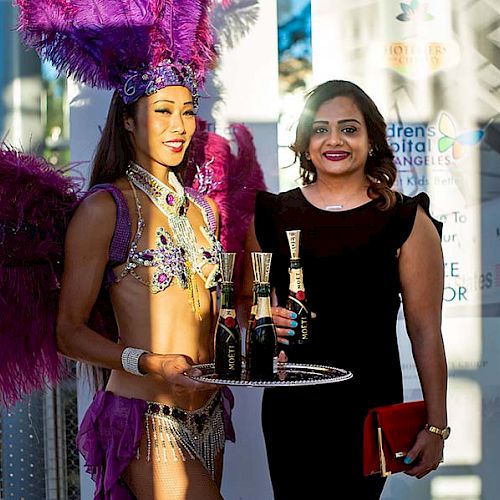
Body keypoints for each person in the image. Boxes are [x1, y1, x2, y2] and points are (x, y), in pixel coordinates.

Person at [15, 1, 234, 498]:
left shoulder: (205, 214)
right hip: (145, 418)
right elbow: (69, 334)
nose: (178, 125)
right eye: (162, 111)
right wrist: (148, 363)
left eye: (187, 112)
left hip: (211, 416)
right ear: (130, 123)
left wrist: (259, 340)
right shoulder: (106, 208)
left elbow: (210, 317)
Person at [241, 80, 448, 499]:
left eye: (349, 129)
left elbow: (425, 331)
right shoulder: (271, 215)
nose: (334, 140)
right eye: (320, 129)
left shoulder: (407, 219)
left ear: (371, 139)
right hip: (291, 408)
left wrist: (436, 425)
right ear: (304, 141)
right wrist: (264, 320)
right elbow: (248, 301)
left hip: (367, 409)